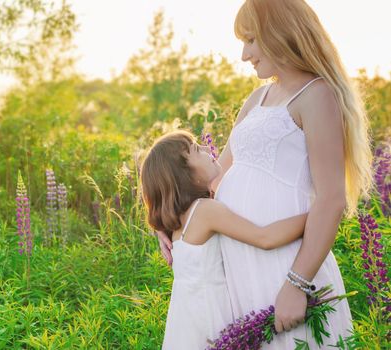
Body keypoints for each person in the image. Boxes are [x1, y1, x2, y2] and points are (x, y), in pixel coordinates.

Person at [157, 0, 372, 348]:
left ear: (280, 33)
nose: (244, 54)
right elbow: (213, 181)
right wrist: (167, 224)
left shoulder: (317, 95)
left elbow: (332, 199)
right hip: (242, 270)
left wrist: (296, 284)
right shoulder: (256, 99)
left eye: (251, 40)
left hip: (286, 266)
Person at [141, 130, 308, 350]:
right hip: (208, 321)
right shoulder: (204, 211)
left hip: (186, 324)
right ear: (183, 174)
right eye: (195, 149)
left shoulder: (179, 223)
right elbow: (265, 237)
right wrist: (319, 214)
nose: (205, 148)